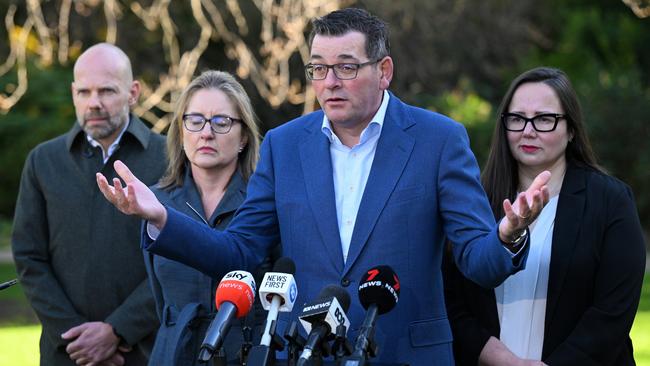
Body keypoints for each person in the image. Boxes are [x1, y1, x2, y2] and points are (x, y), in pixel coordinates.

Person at [97, 9, 550, 365]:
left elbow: (478, 261)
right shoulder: (285, 144)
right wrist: (160, 216)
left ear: (384, 70)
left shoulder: (438, 140)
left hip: (406, 354)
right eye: (318, 68)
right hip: (304, 354)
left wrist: (508, 235)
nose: (329, 82)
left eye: (346, 68)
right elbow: (240, 252)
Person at [443, 67, 646, 365]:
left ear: (572, 129)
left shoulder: (610, 201)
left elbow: (613, 311)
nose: (528, 130)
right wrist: (502, 360)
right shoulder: (474, 201)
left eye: (544, 119)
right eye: (517, 119)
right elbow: (452, 303)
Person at [11, 43, 166, 365]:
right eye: (84, 92)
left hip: (145, 352)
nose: (93, 103)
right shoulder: (44, 162)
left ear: (133, 92)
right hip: (66, 353)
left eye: (107, 91)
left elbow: (177, 261)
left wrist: (118, 331)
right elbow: (29, 256)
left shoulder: (169, 159)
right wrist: (77, 337)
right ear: (73, 93)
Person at [143, 70, 277, 365]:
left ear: (243, 137)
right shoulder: (155, 201)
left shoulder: (265, 200)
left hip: (244, 354)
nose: (206, 133)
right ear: (181, 132)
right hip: (174, 353)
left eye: (221, 122)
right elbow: (159, 297)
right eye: (195, 121)